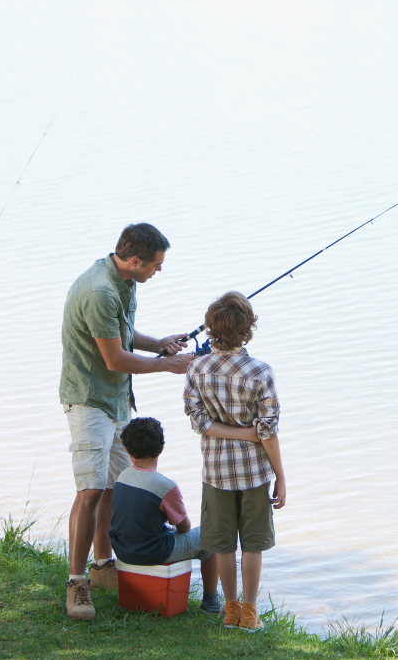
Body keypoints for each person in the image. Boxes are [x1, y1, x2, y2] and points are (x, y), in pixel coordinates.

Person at [60, 223, 194, 621]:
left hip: (118, 399)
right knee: (90, 490)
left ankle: (103, 566)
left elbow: (120, 335)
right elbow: (114, 359)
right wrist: (166, 365)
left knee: (114, 487)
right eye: (155, 265)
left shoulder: (124, 281)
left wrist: (158, 345)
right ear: (134, 260)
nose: (158, 271)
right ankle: (76, 582)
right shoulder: (99, 290)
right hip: (89, 400)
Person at [184, 291, 287, 631]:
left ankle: (229, 610)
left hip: (215, 472)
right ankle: (250, 612)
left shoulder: (197, 368)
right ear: (248, 329)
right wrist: (281, 476)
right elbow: (267, 432)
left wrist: (229, 432)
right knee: (253, 545)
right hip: (255, 473)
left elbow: (198, 420)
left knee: (223, 546)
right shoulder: (260, 372)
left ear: (211, 328)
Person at [109, 417, 221, 613]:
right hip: (151, 552)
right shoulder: (165, 485)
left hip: (122, 549)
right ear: (160, 448)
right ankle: (211, 602)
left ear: (127, 450)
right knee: (210, 538)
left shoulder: (122, 477)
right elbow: (184, 527)